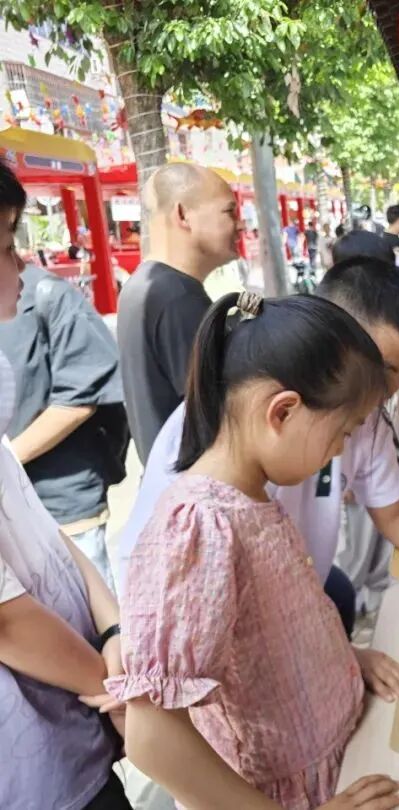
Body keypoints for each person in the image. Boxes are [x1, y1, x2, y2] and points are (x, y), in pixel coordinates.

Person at [107, 291, 399, 809]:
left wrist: (343, 660)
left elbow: (267, 641)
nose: (340, 450)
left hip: (335, 762)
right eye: (341, 432)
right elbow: (153, 735)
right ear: (283, 411)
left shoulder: (251, 499)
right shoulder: (200, 529)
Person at [116, 257, 399, 627]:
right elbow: (190, 621)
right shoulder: (207, 475)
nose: (390, 389)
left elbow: (395, 514)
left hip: (296, 603)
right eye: (383, 369)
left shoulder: (366, 418)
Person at [0, 158, 131, 809]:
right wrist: (114, 693)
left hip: (74, 731)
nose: (20, 268)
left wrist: (112, 632)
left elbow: (38, 526)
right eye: (4, 248)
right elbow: (8, 623)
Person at [0, 259, 129, 590]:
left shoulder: (47, 295)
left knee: (86, 610)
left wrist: (8, 460)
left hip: (61, 504)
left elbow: (78, 398)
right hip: (8, 514)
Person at [117, 162, 242, 462]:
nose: (240, 225)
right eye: (229, 212)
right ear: (183, 215)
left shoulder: (145, 285)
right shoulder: (177, 297)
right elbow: (219, 414)